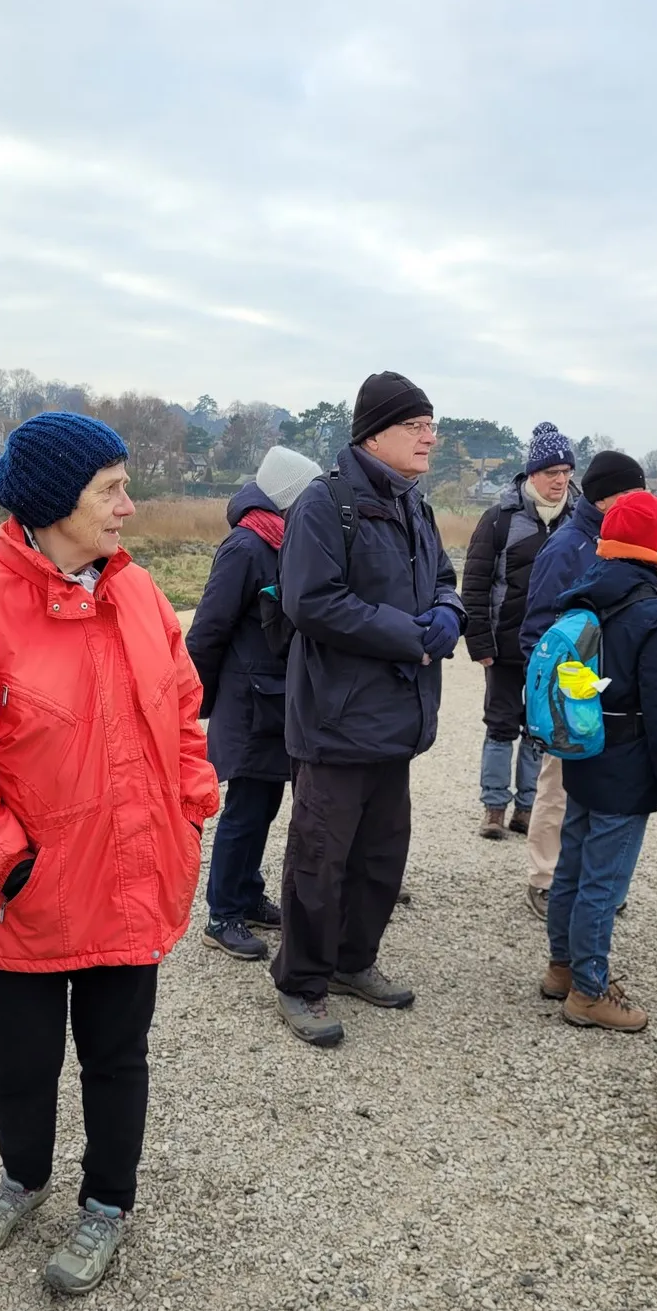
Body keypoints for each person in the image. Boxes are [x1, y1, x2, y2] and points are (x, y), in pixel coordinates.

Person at [0, 413, 219, 1295]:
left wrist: (191, 808)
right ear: (54, 501)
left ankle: (107, 1201)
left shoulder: (140, 596)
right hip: (24, 895)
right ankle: (22, 1177)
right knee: (18, 1057)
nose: (128, 506)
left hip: (132, 879)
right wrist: (10, 861)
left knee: (118, 1055)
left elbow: (184, 712)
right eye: (110, 489)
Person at [271, 371, 465, 1046]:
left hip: (397, 719)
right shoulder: (325, 504)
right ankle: (301, 981)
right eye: (416, 426)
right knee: (319, 859)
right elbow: (311, 601)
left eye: (431, 426)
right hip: (337, 720)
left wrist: (449, 613)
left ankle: (354, 961)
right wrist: (411, 636)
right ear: (374, 434)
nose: (429, 438)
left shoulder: (416, 506)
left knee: (381, 856)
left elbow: (444, 578)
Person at [541, 490, 657, 1032]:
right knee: (603, 881)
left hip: (584, 749)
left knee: (572, 864)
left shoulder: (585, 591)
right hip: (628, 762)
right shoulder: (654, 609)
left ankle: (561, 968)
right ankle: (589, 992)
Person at [187, 446, 320, 960]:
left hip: (276, 699)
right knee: (244, 809)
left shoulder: (285, 540)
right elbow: (209, 627)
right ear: (289, 496)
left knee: (264, 805)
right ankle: (222, 914)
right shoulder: (247, 545)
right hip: (248, 703)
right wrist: (194, 699)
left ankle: (247, 893)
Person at [517, 449, 648, 919]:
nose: (642, 501)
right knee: (557, 787)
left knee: (599, 792)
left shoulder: (623, 540)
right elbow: (537, 628)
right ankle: (545, 879)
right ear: (607, 496)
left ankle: (588, 884)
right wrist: (553, 697)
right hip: (572, 692)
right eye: (633, 493)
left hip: (611, 692)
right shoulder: (568, 546)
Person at [461, 422, 575, 839]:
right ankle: (494, 808)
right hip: (504, 645)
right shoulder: (499, 519)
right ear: (532, 474)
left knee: (540, 729)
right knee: (500, 726)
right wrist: (479, 642)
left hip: (555, 648)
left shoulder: (579, 522)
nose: (560, 481)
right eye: (552, 472)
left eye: (566, 472)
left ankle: (528, 807)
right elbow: (475, 583)